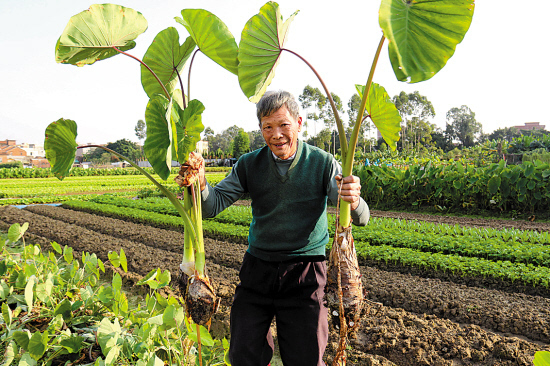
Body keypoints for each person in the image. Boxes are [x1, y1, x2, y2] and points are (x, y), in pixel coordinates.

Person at [196, 90, 370, 366]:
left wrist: (354, 197)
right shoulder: (248, 165)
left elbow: (361, 217)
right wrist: (201, 184)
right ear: (261, 129)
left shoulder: (322, 163)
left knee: (307, 358)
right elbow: (212, 206)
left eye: (283, 125)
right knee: (244, 354)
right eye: (268, 127)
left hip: (306, 273)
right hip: (258, 269)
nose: (276, 134)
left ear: (299, 123)